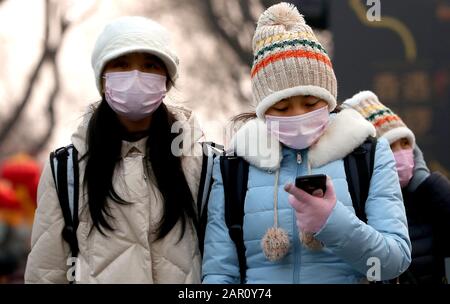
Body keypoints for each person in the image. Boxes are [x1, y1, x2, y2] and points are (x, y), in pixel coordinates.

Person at [201, 2, 411, 284]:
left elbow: (394, 261)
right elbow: (219, 273)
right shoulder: (233, 166)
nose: (298, 115)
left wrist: (332, 222)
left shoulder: (368, 155)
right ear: (263, 110)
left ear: (329, 98)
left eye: (311, 102)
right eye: (282, 107)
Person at [25, 16, 204, 283]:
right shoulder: (67, 171)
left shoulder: (202, 163)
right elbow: (46, 274)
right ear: (103, 79)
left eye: (149, 65)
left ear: (167, 79)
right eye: (121, 64)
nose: (135, 75)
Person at [343, 91, 450, 284]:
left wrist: (429, 184)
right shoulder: (358, 205)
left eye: (406, 144)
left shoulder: (427, 196)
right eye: (391, 147)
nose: (401, 154)